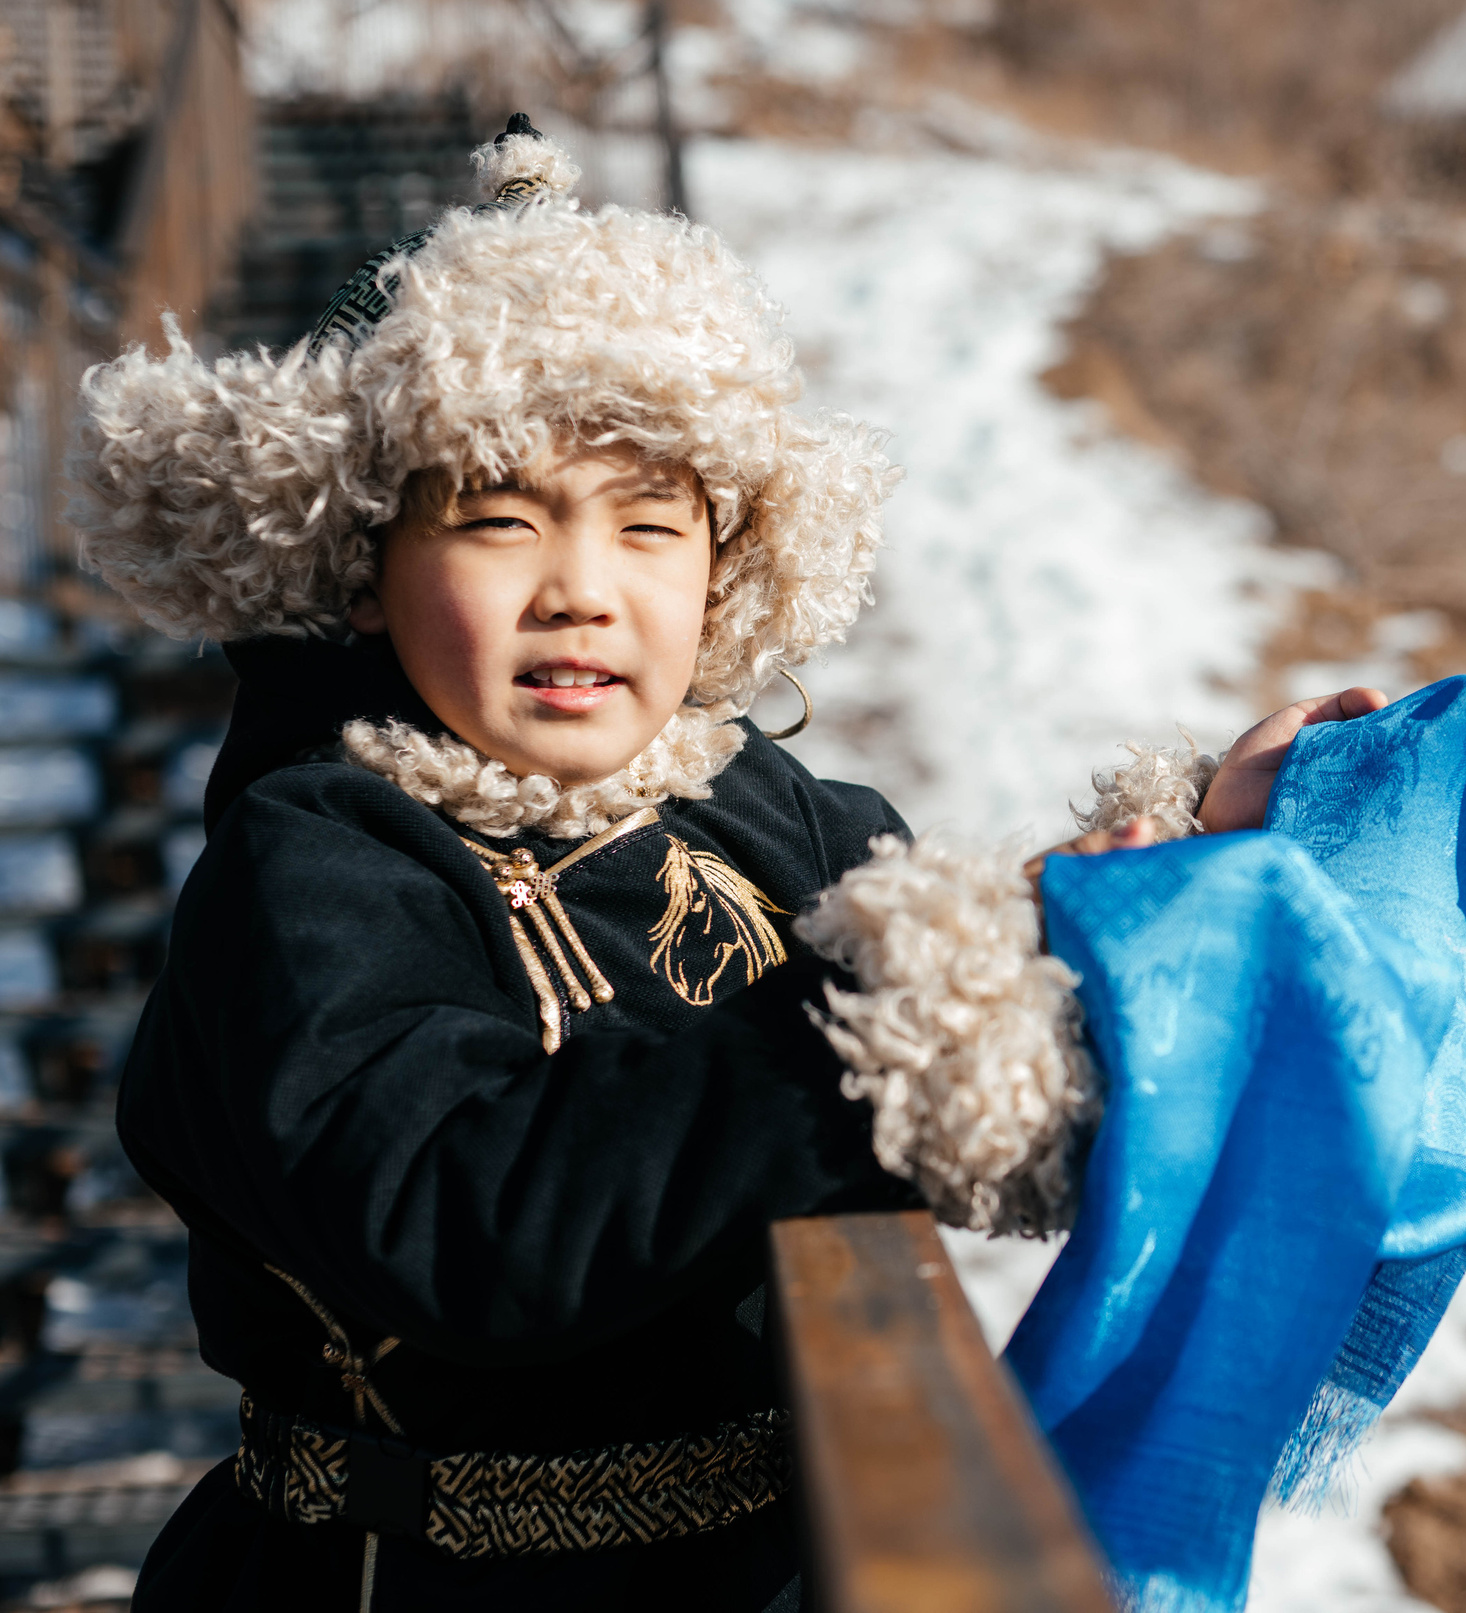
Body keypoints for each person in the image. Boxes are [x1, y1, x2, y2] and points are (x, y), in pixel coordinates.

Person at [72, 117, 1385, 1613]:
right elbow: (470, 1218)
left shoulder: (763, 809)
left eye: (650, 526)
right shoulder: (314, 867)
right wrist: (876, 1027)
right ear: (367, 564)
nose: (582, 590)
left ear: (727, 563)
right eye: (502, 523)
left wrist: (1196, 857)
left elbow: (983, 972)